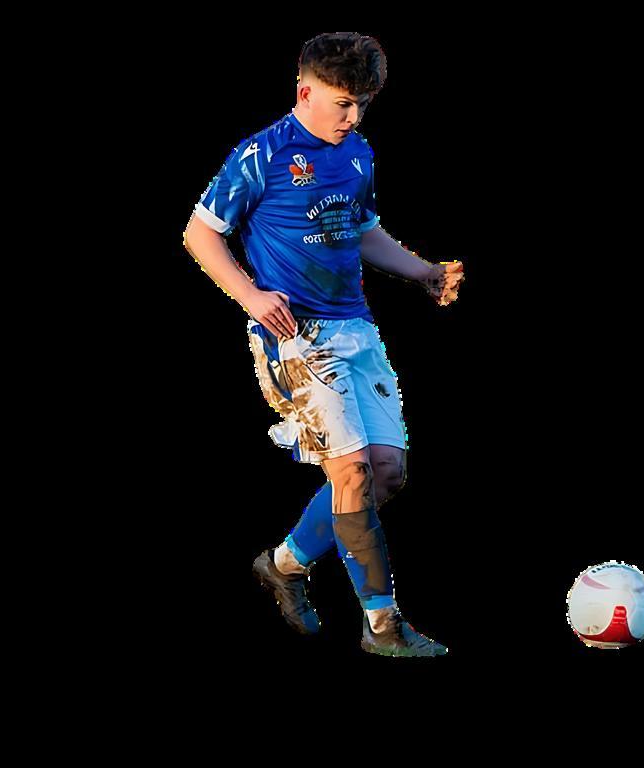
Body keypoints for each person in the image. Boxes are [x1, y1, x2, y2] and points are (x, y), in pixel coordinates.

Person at [183, 31, 463, 657]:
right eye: (343, 102)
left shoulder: (357, 151)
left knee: (386, 472)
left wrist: (422, 271)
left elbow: (362, 229)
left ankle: (281, 565)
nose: (353, 116)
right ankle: (384, 627)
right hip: (296, 338)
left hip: (356, 328)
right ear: (305, 91)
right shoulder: (261, 154)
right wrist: (251, 295)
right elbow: (200, 234)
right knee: (352, 471)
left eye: (362, 103)